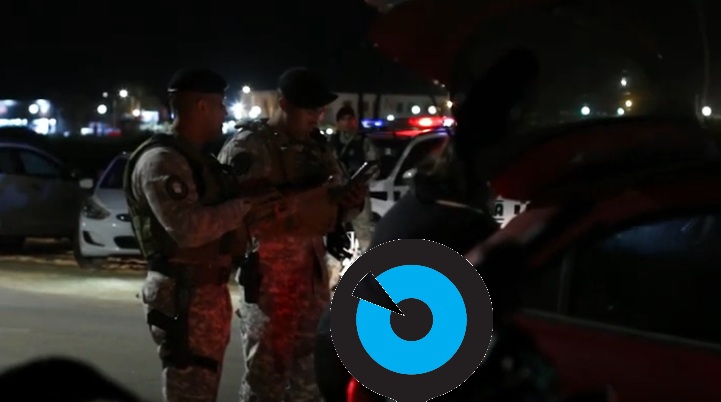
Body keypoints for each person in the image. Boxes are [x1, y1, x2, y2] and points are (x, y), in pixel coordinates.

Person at [217, 66, 368, 402]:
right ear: (283, 103)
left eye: (320, 109)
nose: (316, 116)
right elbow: (235, 215)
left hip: (311, 278)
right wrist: (308, 201)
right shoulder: (250, 147)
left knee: (309, 380)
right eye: (308, 108)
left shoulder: (317, 148)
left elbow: (339, 206)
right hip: (269, 282)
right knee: (265, 381)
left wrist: (349, 201)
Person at [123, 68, 262, 402]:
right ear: (201, 106)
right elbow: (188, 230)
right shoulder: (162, 161)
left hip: (204, 291)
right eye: (220, 104)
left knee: (203, 385)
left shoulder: (197, 159)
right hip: (183, 292)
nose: (225, 112)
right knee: (190, 388)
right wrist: (242, 206)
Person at [328, 106, 379, 253]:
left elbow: (374, 166)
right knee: (336, 231)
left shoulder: (363, 142)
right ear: (338, 122)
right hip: (337, 194)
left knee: (364, 231)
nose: (347, 123)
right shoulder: (331, 143)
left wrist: (361, 182)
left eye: (350, 119)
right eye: (343, 119)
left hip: (358, 192)